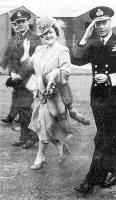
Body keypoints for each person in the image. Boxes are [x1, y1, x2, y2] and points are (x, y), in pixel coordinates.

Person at [71, 6, 116, 195]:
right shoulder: (93, 45)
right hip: (98, 100)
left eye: (104, 22)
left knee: (102, 140)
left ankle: (91, 181)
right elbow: (75, 60)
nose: (101, 26)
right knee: (108, 140)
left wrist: (110, 79)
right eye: (97, 23)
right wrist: (84, 38)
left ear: (111, 22)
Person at [21, 16, 89, 170]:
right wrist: (26, 51)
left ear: (56, 32)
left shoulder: (62, 50)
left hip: (54, 94)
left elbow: (65, 73)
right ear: (42, 37)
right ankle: (60, 146)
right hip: (39, 94)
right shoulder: (39, 49)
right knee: (43, 125)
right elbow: (28, 66)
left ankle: (41, 156)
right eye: (45, 34)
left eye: (51, 32)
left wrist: (54, 76)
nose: (48, 36)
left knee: (46, 125)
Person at [2, 9, 41, 149]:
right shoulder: (17, 37)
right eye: (17, 22)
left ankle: (33, 137)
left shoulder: (35, 38)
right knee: (21, 109)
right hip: (18, 80)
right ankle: (23, 137)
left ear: (28, 21)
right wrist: (12, 73)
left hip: (29, 79)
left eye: (22, 21)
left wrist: (19, 75)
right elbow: (14, 60)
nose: (20, 25)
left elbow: (33, 63)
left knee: (26, 109)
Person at [1, 22, 20, 128]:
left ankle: (22, 118)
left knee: (24, 97)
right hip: (15, 72)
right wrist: (11, 73)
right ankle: (11, 116)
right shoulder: (12, 40)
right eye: (15, 26)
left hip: (25, 73)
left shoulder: (29, 39)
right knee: (15, 95)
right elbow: (9, 56)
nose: (17, 27)